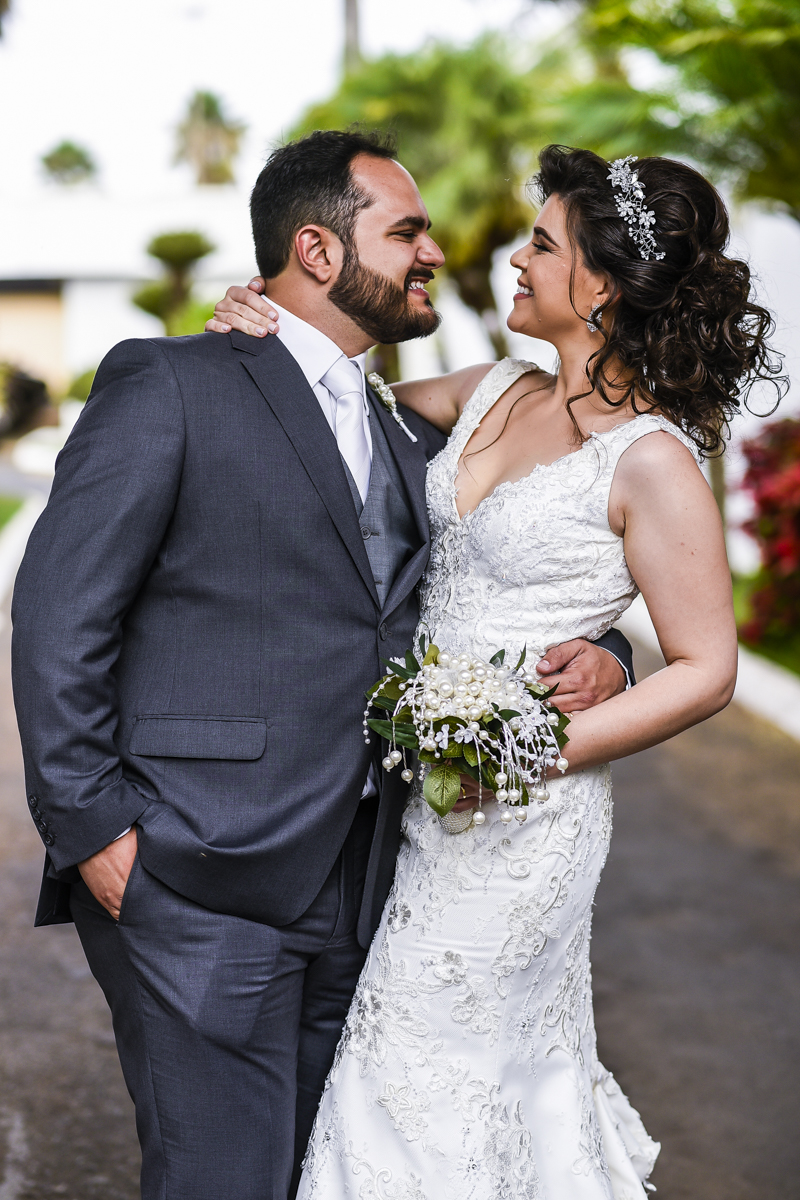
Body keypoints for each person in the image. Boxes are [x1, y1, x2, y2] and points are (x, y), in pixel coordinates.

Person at [10, 131, 631, 1200]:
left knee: (325, 1173)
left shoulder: (412, 429)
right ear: (317, 250)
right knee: (220, 1178)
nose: (434, 252)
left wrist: (608, 653)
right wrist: (94, 830)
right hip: (195, 873)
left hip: (373, 885)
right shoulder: (172, 381)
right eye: (406, 232)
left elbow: (495, 573)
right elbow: (58, 613)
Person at [209, 144, 783, 1198]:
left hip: (525, 817)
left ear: (600, 288)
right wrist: (265, 318)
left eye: (542, 246)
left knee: (430, 1061)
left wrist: (525, 750)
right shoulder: (490, 390)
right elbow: (332, 410)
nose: (515, 261)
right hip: (419, 793)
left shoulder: (651, 460)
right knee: (429, 1064)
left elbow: (706, 669)